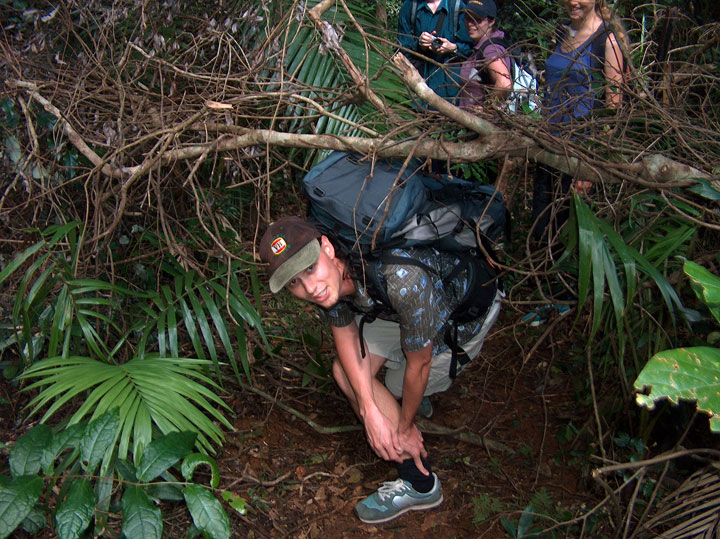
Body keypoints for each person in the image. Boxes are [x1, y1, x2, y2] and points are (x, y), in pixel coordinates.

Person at [259, 216, 501, 524]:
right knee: (347, 373)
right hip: (395, 309)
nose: (310, 288)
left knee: (403, 385)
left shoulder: (402, 278)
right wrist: (370, 409)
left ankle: (422, 485)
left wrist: (404, 426)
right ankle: (415, 476)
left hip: (459, 319)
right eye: (294, 281)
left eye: (310, 268)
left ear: (328, 248)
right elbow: (344, 331)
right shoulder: (330, 279)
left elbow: (420, 363)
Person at [524, 0, 626, 325]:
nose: (572, 2)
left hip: (580, 153)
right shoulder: (565, 32)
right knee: (545, 225)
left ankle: (569, 303)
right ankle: (551, 299)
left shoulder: (606, 40)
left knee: (572, 230)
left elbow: (613, 107)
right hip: (549, 148)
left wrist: (592, 165)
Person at [397, 0, 474, 103]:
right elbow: (402, 48)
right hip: (417, 89)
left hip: (449, 91)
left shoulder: (457, 7)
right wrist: (419, 45)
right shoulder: (411, 6)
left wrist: (452, 47)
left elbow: (471, 48)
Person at [458, 0, 513, 110]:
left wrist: (486, 109)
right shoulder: (483, 46)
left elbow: (504, 83)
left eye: (477, 20)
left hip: (482, 123)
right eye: (468, 18)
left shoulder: (490, 49)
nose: (470, 23)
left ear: (491, 21)